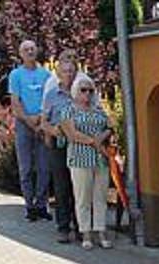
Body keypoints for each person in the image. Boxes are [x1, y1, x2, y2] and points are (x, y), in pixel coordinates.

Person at [58, 72, 115, 249]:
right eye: (83, 90)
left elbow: (109, 127)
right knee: (83, 198)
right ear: (76, 91)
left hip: (100, 160)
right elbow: (72, 134)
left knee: (100, 197)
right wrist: (94, 142)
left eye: (91, 90)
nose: (88, 94)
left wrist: (103, 137)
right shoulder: (68, 109)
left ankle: (101, 231)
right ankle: (85, 233)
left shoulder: (99, 110)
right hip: (80, 159)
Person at [6, 40, 52, 222]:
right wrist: (29, 121)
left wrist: (41, 119)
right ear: (21, 54)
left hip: (43, 124)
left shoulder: (46, 75)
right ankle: (29, 206)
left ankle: (41, 205)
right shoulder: (16, 75)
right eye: (26, 49)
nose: (30, 51)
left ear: (37, 50)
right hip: (24, 125)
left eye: (32, 48)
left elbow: (49, 100)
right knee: (25, 168)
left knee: (43, 168)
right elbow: (15, 102)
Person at [40, 53, 81, 244]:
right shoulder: (51, 95)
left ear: (76, 72)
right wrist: (53, 131)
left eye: (71, 71)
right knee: (62, 186)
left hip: (80, 143)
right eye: (64, 71)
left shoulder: (83, 93)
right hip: (59, 144)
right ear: (58, 73)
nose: (68, 75)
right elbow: (44, 122)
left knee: (80, 186)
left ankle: (82, 227)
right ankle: (63, 227)